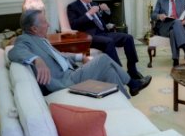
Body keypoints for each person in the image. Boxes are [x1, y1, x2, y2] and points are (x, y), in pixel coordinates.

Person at [8, 10, 151, 98]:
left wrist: (80, 57)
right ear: (33, 28)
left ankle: (125, 105)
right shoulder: (24, 40)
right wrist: (37, 60)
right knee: (103, 59)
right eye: (45, 22)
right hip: (65, 81)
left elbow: (60, 56)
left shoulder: (40, 39)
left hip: (72, 72)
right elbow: (13, 52)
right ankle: (132, 83)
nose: (49, 25)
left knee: (110, 71)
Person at [67, 0, 146, 80]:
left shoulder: (94, 4)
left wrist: (107, 11)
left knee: (128, 38)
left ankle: (132, 70)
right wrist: (89, 13)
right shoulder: (73, 7)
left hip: (104, 33)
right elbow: (74, 24)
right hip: (89, 37)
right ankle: (119, 73)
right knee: (109, 42)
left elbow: (104, 21)